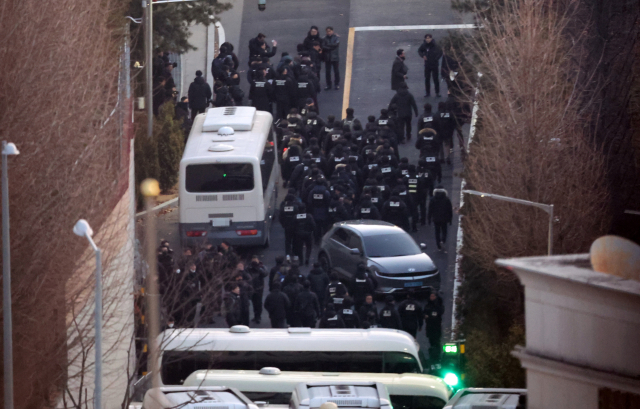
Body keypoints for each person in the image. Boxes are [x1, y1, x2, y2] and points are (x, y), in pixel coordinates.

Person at [428, 186, 453, 251]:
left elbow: (430, 210)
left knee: (437, 231)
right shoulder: (446, 199)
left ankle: (438, 245)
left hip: (436, 218)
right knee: (444, 230)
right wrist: (450, 219)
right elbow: (449, 210)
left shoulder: (432, 199)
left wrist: (429, 219)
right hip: (444, 218)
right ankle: (443, 240)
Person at [424, 291, 444, 361]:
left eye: (433, 296)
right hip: (429, 326)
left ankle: (438, 355)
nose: (432, 298)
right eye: (431, 296)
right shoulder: (427, 305)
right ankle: (432, 355)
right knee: (431, 341)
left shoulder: (439, 305)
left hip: (436, 326)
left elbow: (441, 312)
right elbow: (424, 313)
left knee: (437, 341)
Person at [247, 255, 268, 324]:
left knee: (258, 303)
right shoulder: (249, 267)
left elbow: (265, 274)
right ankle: (255, 316)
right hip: (251, 287)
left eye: (255, 259)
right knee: (253, 302)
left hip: (259, 288)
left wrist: (257, 267)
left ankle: (258, 317)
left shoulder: (262, 267)